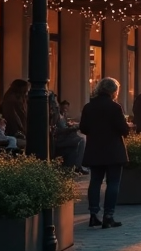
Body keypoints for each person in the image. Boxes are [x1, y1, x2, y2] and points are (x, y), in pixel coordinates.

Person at [80, 77, 131, 229]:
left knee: (95, 181)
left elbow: (83, 128)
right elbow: (123, 129)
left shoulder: (88, 107)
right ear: (114, 91)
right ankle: (108, 216)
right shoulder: (115, 107)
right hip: (113, 150)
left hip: (95, 149)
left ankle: (93, 215)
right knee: (113, 182)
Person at [55, 100, 87, 174]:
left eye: (66, 108)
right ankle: (78, 166)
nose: (65, 109)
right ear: (60, 107)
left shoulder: (64, 115)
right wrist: (74, 128)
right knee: (81, 140)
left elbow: (65, 126)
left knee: (81, 139)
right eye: (64, 107)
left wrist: (70, 125)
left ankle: (77, 165)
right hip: (61, 140)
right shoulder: (57, 116)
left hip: (65, 137)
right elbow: (60, 130)